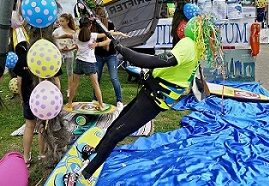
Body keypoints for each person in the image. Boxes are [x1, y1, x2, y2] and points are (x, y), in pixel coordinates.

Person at [63, 15, 221, 185]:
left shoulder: (188, 45)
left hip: (153, 101)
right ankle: (95, 151)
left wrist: (122, 50)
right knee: (116, 124)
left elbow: (150, 61)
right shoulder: (195, 46)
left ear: (195, 29)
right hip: (150, 93)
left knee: (117, 133)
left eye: (191, 24)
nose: (185, 25)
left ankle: (83, 173)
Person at [67, 16, 128, 110]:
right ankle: (101, 104)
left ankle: (70, 103)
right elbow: (108, 33)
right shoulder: (92, 35)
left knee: (74, 84)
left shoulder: (76, 34)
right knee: (95, 84)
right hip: (90, 63)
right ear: (90, 25)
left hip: (79, 62)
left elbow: (73, 41)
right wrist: (120, 33)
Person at [13, 41, 45, 167]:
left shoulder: (20, 60)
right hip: (42, 97)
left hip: (28, 98)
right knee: (42, 126)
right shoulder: (39, 57)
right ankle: (42, 155)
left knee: (29, 126)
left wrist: (21, 98)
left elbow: (19, 82)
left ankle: (26, 157)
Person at [94, 8, 122, 103]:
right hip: (98, 55)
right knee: (96, 78)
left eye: (97, 15)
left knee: (114, 78)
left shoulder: (110, 24)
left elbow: (110, 39)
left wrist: (97, 44)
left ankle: (119, 101)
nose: (96, 17)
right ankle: (95, 99)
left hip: (111, 55)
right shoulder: (93, 25)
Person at [52, 13, 77, 96]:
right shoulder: (57, 31)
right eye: (60, 21)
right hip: (59, 54)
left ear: (67, 21)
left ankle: (69, 90)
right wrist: (58, 49)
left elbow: (76, 44)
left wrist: (69, 48)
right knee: (56, 71)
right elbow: (53, 41)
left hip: (69, 54)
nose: (60, 23)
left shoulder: (73, 32)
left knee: (70, 72)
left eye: (62, 21)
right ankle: (57, 88)